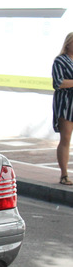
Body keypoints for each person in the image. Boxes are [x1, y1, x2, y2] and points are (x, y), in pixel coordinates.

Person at [51, 32, 73, 185]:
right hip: (66, 103)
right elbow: (58, 83)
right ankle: (64, 175)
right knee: (65, 139)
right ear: (68, 43)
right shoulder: (60, 60)